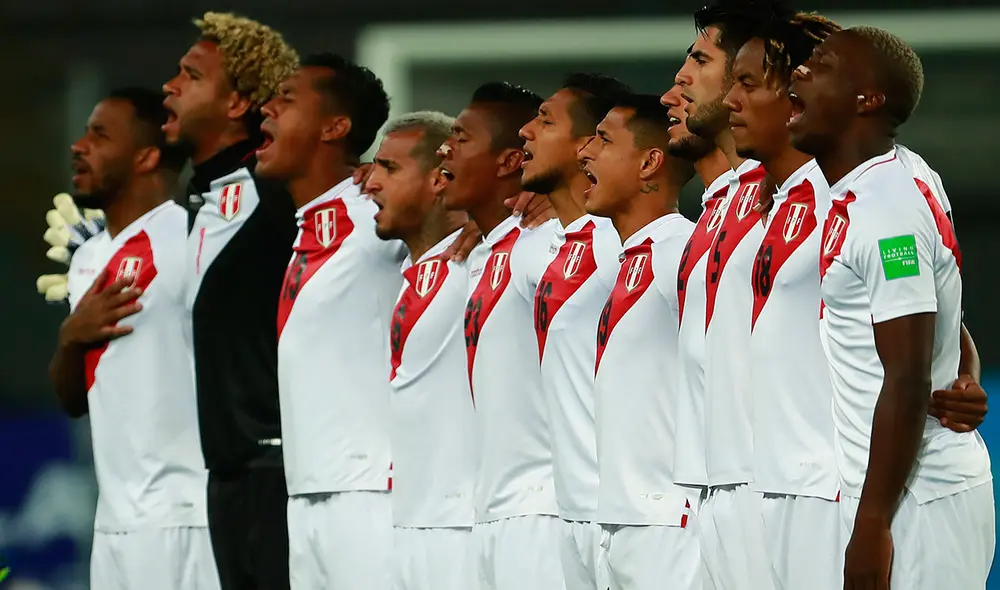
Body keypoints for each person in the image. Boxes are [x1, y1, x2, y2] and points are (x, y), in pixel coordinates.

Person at [721, 15, 991, 588]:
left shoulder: (885, 210)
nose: (799, 73)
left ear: (866, 99)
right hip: (883, 489)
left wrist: (871, 526)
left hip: (917, 497)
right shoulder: (874, 184)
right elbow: (936, 308)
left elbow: (908, 373)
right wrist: (966, 371)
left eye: (818, 68)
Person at [49, 87, 218, 590]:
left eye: (99, 135)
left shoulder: (197, 234)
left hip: (185, 515)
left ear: (147, 156)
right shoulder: (86, 258)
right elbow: (73, 400)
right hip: (113, 522)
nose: (79, 146)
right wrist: (70, 336)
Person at [160, 12, 300, 590]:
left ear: (239, 101)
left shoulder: (279, 199)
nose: (169, 86)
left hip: (279, 478)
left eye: (190, 75)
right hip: (225, 483)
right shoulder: (202, 205)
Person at [253, 53, 401, 589]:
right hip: (307, 495)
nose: (266, 108)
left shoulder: (379, 218)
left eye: (287, 99)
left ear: (335, 128)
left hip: (372, 495)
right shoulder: (305, 230)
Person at [673, 2, 788, 586]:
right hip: (714, 481)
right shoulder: (723, 202)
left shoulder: (795, 187)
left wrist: (960, 369)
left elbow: (907, 291)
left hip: (779, 484)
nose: (680, 80)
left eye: (700, 60)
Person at [436, 82, 566, 590]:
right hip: (489, 511)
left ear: (509, 160)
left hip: (542, 511)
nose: (446, 149)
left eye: (462, 138)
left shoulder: (549, 239)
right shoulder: (482, 250)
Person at [577, 93, 700, 590]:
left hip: (670, 526)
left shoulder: (684, 252)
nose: (585, 152)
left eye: (604, 141)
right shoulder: (632, 258)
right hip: (619, 521)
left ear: (650, 162)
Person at [517, 72, 631, 590]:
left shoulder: (616, 244)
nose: (526, 131)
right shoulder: (561, 244)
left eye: (544, 120)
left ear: (588, 145)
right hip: (573, 508)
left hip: (626, 515)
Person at [365, 111, 479, 590]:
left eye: (389, 169)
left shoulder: (484, 259)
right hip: (408, 522)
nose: (371, 183)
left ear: (439, 179)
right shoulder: (411, 273)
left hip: (466, 527)